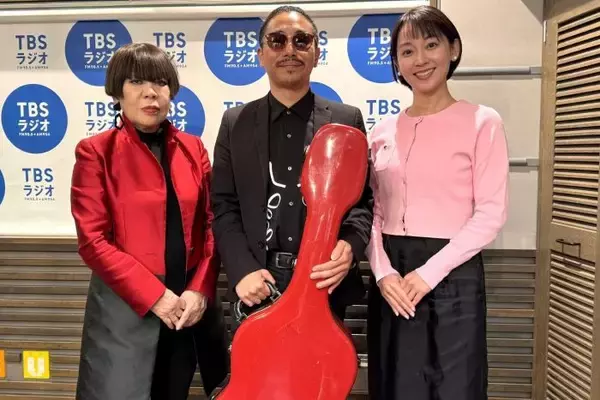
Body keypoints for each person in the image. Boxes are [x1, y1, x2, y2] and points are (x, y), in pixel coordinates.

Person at [70, 43, 229, 400]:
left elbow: (213, 225)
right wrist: (155, 295)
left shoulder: (193, 149)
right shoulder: (96, 152)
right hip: (125, 315)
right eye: (136, 82)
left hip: (188, 311)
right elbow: (93, 241)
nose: (150, 93)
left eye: (160, 82)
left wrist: (201, 289)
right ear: (117, 92)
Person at [365, 6, 509, 400]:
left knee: (455, 386)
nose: (420, 59)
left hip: (453, 273)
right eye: (407, 51)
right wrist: (382, 272)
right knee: (393, 383)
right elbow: (372, 211)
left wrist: (429, 273)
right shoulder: (381, 131)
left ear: (453, 49)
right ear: (397, 63)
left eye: (431, 45)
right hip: (392, 278)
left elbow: (491, 213)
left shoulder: (482, 121)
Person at [211, 5, 373, 332]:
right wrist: (242, 270)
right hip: (259, 283)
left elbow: (363, 201)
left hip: (324, 280)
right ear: (261, 54)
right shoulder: (235, 123)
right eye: (277, 40)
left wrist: (350, 246)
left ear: (316, 53)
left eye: (301, 41)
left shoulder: (347, 120)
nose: (289, 50)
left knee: (321, 367)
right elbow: (223, 205)